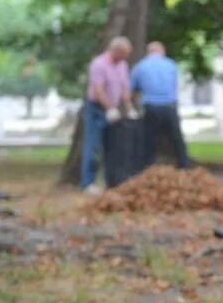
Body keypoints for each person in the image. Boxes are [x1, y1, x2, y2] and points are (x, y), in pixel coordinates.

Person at [80, 36, 132, 194]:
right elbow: (98, 90)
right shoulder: (99, 64)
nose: (125, 57)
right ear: (115, 50)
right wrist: (109, 108)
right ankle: (87, 183)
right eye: (123, 54)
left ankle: (112, 180)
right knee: (93, 145)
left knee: (113, 145)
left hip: (114, 107)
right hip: (97, 108)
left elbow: (124, 87)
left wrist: (129, 107)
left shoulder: (122, 64)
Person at [130, 41, 190, 170]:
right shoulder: (171, 65)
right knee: (177, 139)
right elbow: (174, 85)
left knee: (149, 140)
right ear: (162, 51)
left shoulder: (140, 66)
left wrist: (133, 106)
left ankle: (147, 168)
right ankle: (184, 166)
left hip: (151, 107)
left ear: (148, 52)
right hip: (169, 106)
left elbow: (133, 90)